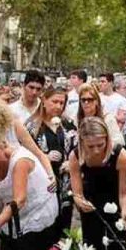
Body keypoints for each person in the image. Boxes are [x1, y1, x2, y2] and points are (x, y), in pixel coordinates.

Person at [68, 117, 126, 250]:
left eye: (100, 145)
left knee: (118, 249)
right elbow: (77, 192)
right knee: (93, 248)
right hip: (91, 203)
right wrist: (79, 201)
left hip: (115, 200)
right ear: (82, 142)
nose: (96, 150)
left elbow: (124, 192)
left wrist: (125, 211)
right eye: (90, 146)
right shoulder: (75, 155)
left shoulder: (120, 155)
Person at [25, 88, 77, 234]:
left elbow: (78, 148)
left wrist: (71, 162)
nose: (58, 106)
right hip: (42, 183)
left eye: (62, 103)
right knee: (45, 230)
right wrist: (43, 157)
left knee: (63, 228)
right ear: (44, 101)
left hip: (65, 183)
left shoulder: (67, 124)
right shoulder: (32, 126)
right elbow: (23, 153)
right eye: (54, 102)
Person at [76, 84, 125, 148]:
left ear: (96, 101)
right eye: (83, 100)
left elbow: (119, 141)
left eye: (90, 99)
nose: (86, 102)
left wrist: (102, 147)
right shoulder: (76, 119)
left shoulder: (107, 118)